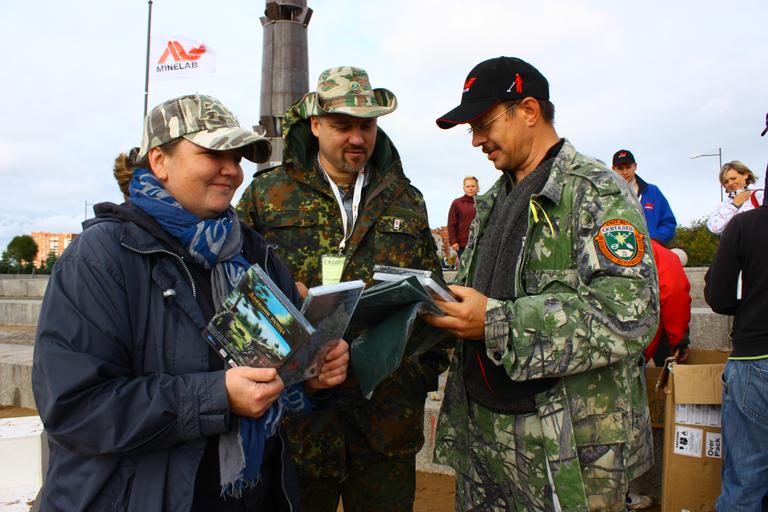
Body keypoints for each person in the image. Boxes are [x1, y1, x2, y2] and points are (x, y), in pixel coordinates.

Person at [32, 94, 350, 512]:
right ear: (160, 161)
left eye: (236, 157)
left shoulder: (253, 251)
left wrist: (313, 377)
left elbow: (284, 371)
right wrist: (216, 396)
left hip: (255, 494)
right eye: (213, 153)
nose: (232, 171)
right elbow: (74, 407)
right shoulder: (101, 257)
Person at [426, 56, 659, 511]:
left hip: (566, 451)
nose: (476, 140)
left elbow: (632, 311)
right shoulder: (492, 201)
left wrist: (497, 322)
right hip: (484, 439)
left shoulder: (595, 192)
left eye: (483, 123)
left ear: (529, 111)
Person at [237, 67, 451, 512]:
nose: (357, 138)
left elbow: (434, 300)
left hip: (386, 422)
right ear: (315, 125)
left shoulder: (406, 200)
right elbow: (236, 295)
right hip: (297, 426)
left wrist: (413, 376)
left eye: (366, 125)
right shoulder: (267, 195)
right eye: (342, 126)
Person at [704, 189, 768, 511]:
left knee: (746, 480)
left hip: (756, 355)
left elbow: (718, 297)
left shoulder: (744, 225)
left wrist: (748, 305)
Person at [612, 149, 677, 244]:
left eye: (628, 167)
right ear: (613, 169)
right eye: (620, 168)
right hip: (617, 250)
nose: (625, 172)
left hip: (651, 251)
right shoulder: (605, 194)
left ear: (635, 166)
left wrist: (657, 239)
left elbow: (668, 222)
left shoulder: (652, 191)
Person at [645, 239, 691, 366]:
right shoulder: (658, 252)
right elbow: (674, 294)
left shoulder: (589, 243)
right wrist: (679, 342)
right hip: (634, 349)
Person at [706, 160, 763, 235]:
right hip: (731, 246)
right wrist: (734, 205)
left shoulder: (759, 195)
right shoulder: (724, 205)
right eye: (726, 181)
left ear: (746, 175)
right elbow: (714, 228)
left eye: (733, 178)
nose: (730, 183)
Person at [447, 176, 479, 259]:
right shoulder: (457, 203)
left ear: (477, 187)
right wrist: (453, 242)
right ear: (464, 188)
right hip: (463, 244)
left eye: (473, 186)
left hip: (481, 243)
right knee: (465, 270)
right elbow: (451, 223)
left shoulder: (483, 202)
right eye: (467, 186)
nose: (470, 188)